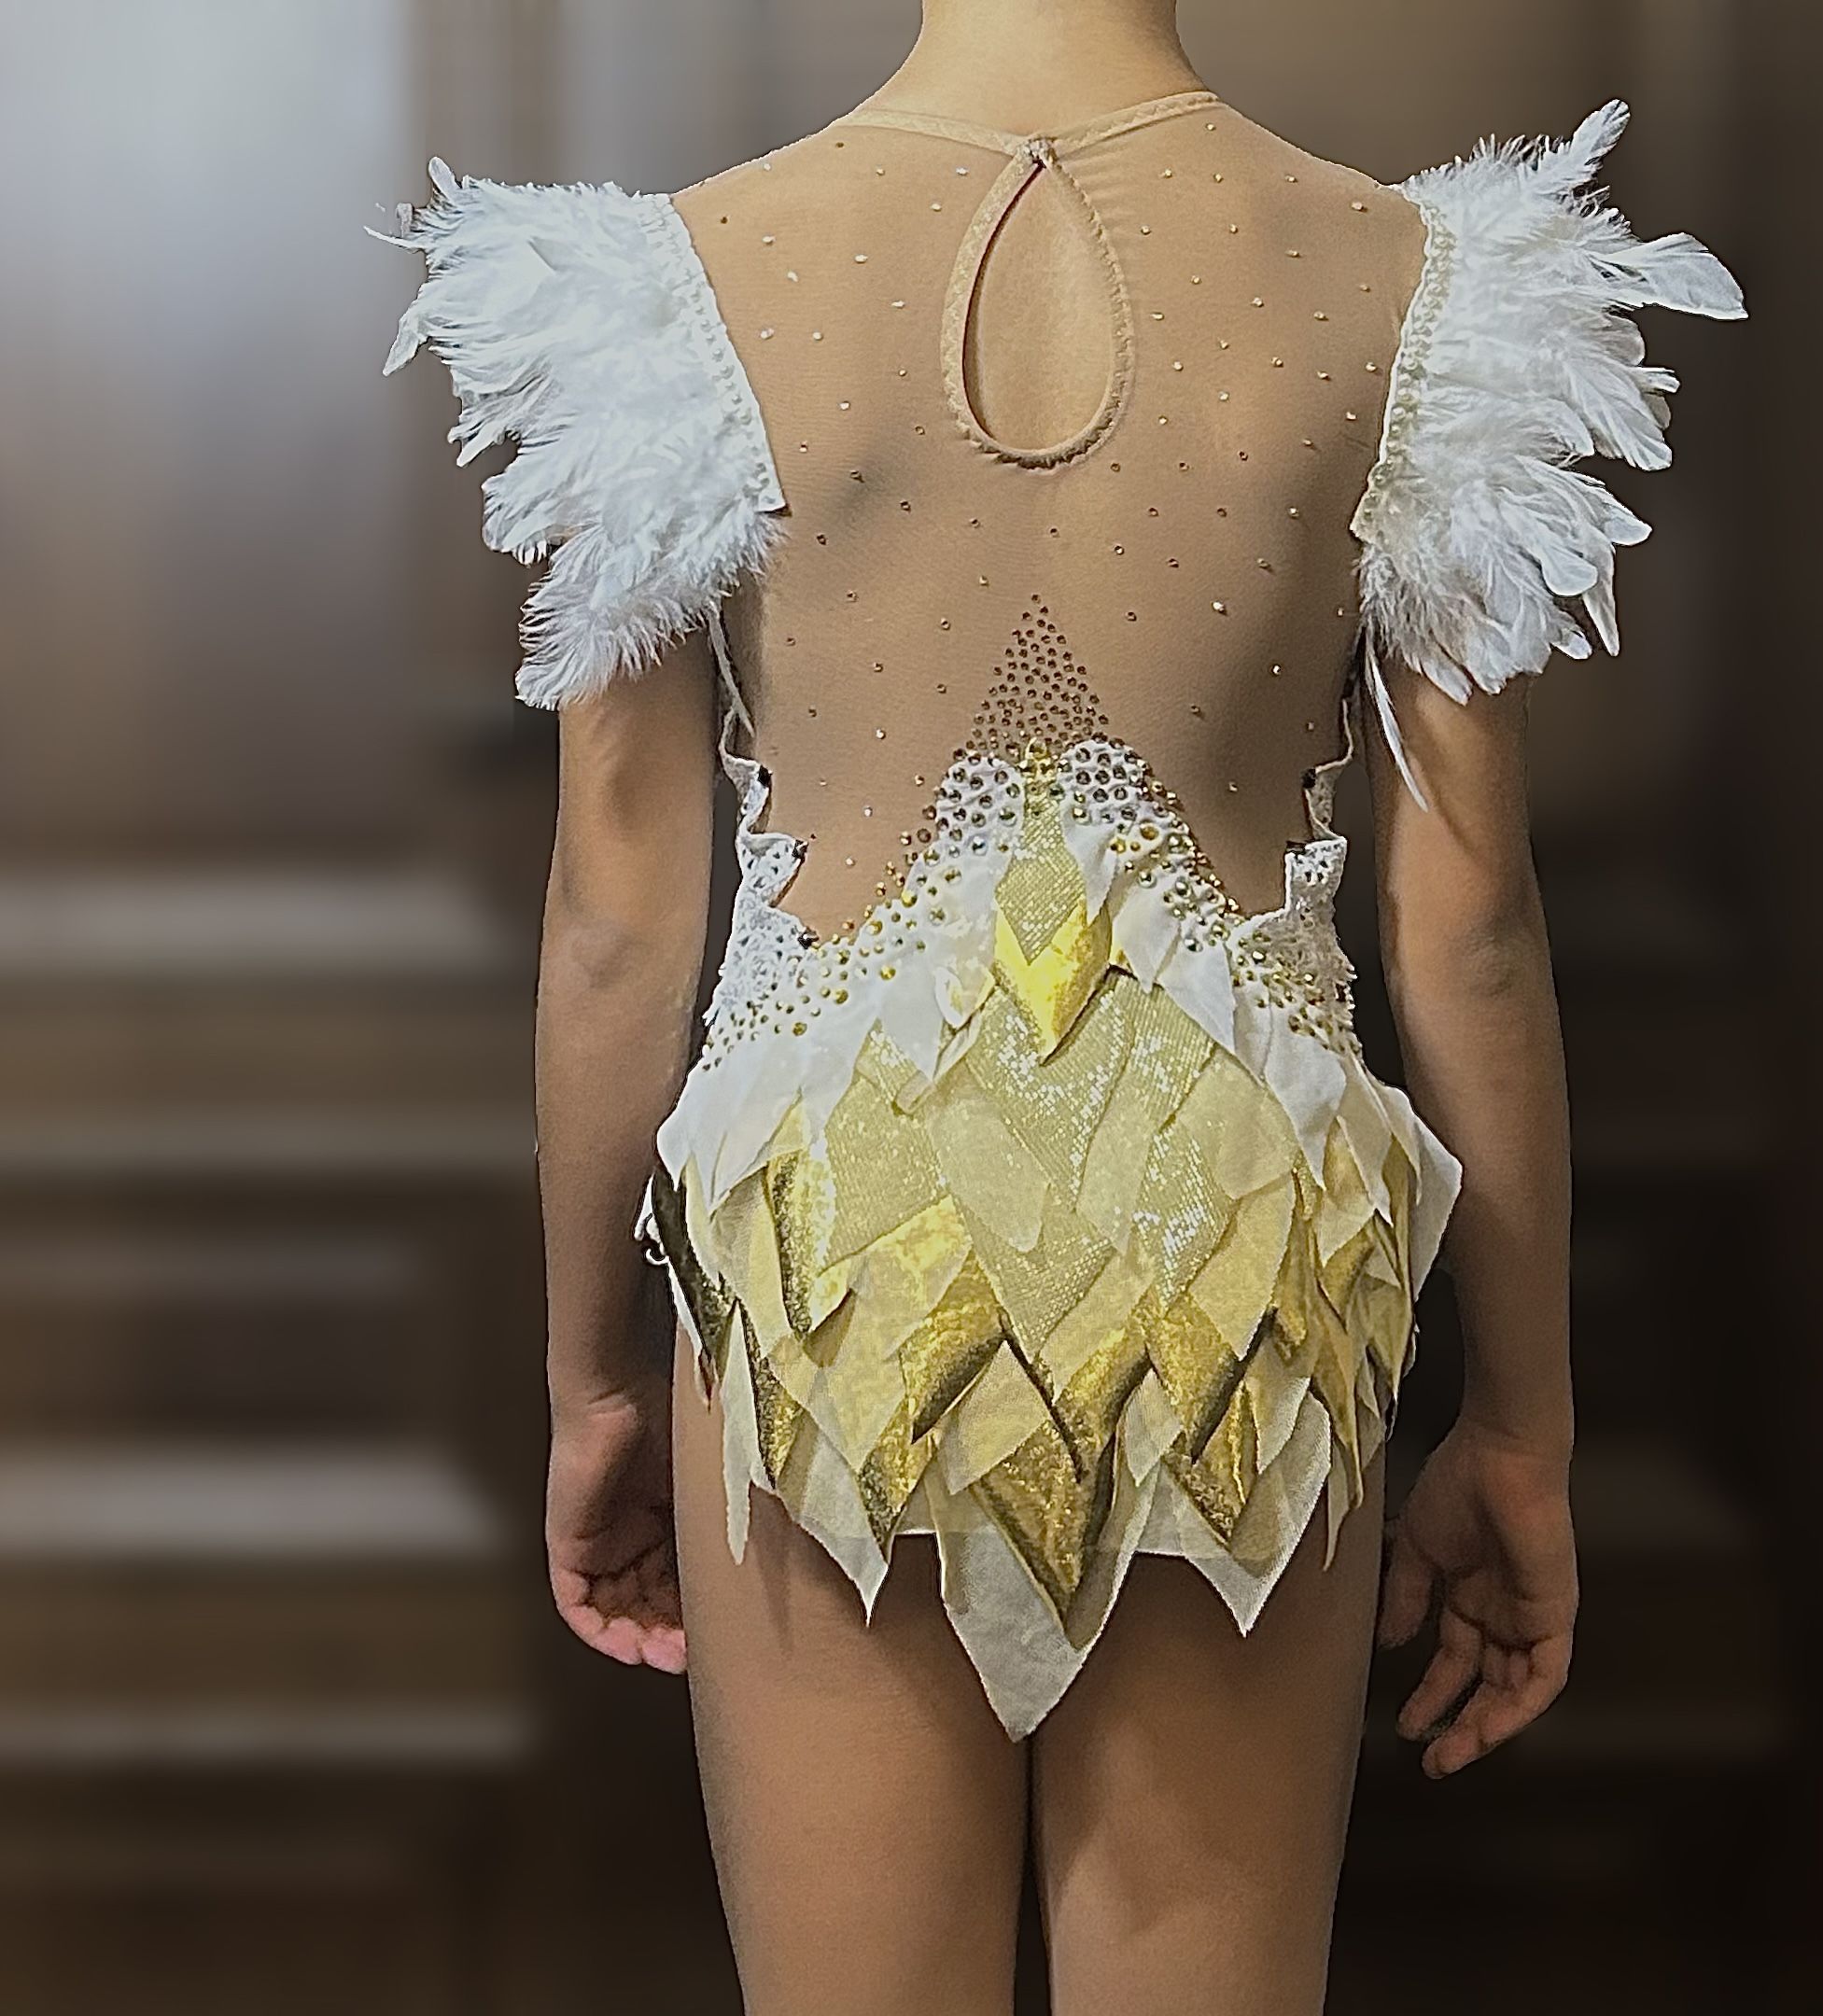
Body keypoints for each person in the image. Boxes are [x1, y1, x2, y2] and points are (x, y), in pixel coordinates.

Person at [382, 2, 1743, 2007]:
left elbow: (615, 922)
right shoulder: (1407, 280)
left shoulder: (677, 286)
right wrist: (1522, 1426)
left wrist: (595, 1386)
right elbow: (1466, 923)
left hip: (827, 1255)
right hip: (1240, 1253)